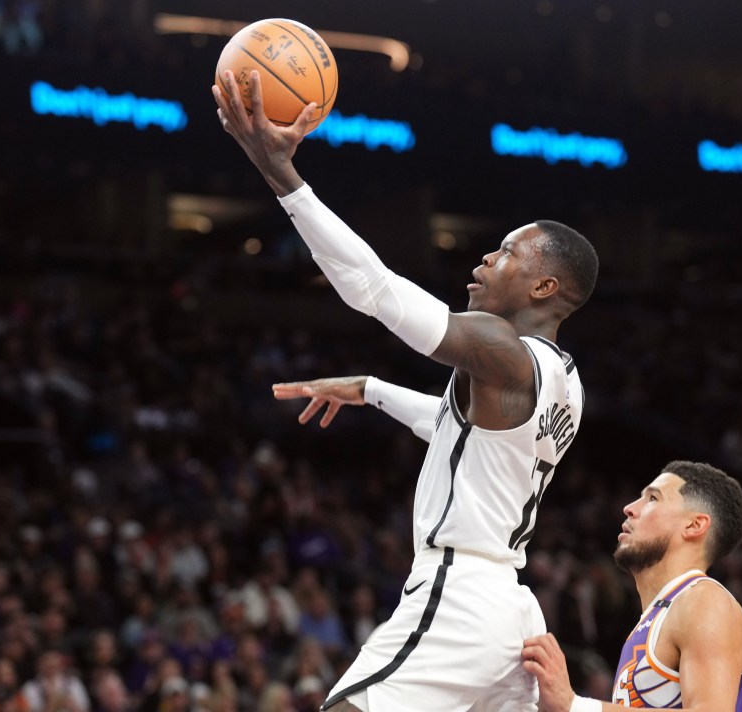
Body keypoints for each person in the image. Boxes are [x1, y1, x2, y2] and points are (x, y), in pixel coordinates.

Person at [213, 71, 598, 711]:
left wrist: (281, 175)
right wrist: (373, 389)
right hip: (511, 607)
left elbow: (375, 290)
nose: (483, 260)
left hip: (460, 591)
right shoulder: (564, 380)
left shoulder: (501, 353)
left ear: (543, 288)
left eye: (505, 254)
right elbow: (463, 433)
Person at [521, 460, 742, 710]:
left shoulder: (705, 600)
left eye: (653, 498)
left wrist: (574, 705)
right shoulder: (656, 618)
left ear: (694, 525)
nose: (629, 508)